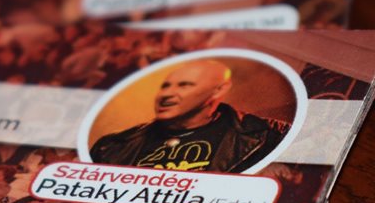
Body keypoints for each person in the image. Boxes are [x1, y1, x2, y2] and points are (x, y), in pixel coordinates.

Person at [90, 60, 289, 173]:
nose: (167, 94)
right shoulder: (111, 147)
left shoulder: (270, 136)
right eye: (165, 86)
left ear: (219, 90)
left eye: (184, 85)